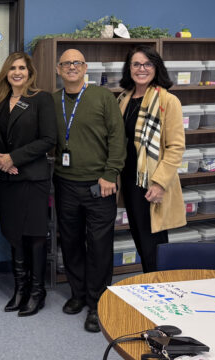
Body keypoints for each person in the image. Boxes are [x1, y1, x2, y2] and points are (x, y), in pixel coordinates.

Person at [52, 49, 126, 333]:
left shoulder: (104, 97)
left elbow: (118, 137)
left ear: (85, 68)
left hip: (100, 185)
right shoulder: (52, 100)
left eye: (77, 63)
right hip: (65, 183)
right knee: (70, 242)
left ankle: (97, 303)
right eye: (66, 63)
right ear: (59, 70)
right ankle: (78, 294)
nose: (71, 67)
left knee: (98, 245)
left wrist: (110, 174)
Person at [0, 52, 57, 316]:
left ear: (30, 72)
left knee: (35, 236)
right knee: (14, 235)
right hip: (6, 178)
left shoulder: (41, 99)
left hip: (32, 178)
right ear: (6, 72)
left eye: (22, 68)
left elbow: (48, 139)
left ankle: (37, 292)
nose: (17, 72)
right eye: (12, 68)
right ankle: (21, 288)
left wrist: (13, 157)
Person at [117, 45, 187, 273]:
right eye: (136, 64)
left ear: (156, 68)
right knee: (139, 237)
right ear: (129, 69)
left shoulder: (168, 101)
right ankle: (152, 285)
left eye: (147, 64)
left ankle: (161, 291)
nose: (142, 69)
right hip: (129, 179)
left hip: (151, 182)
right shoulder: (123, 98)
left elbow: (176, 147)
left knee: (154, 244)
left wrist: (159, 183)